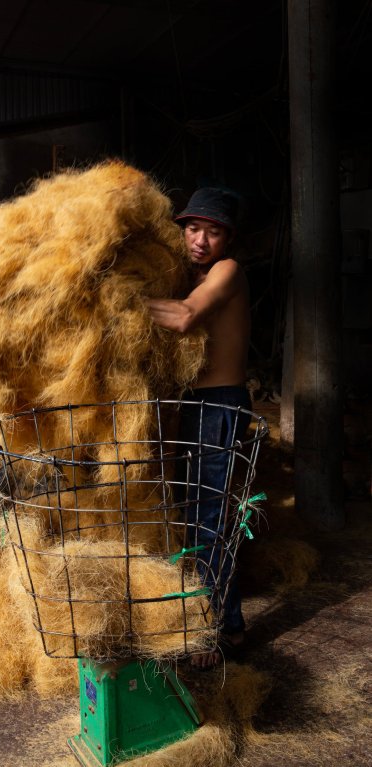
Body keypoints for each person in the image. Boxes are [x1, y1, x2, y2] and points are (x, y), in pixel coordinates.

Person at [147, 186, 251, 668]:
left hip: (219, 405)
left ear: (227, 239)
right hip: (192, 403)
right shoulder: (185, 273)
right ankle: (214, 620)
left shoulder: (225, 273)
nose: (200, 240)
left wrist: (118, 301)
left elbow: (186, 317)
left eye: (212, 232)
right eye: (192, 229)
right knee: (190, 515)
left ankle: (217, 630)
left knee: (209, 517)